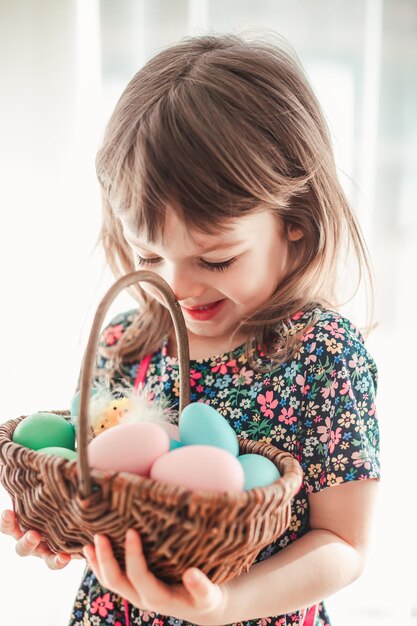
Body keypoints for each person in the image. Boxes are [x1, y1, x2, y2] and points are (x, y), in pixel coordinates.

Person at [0, 32, 380, 626]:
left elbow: (344, 543)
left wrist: (225, 604)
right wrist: (68, 530)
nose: (176, 286)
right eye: (149, 257)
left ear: (295, 224)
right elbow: (119, 498)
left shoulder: (321, 353)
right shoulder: (127, 342)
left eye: (217, 259)